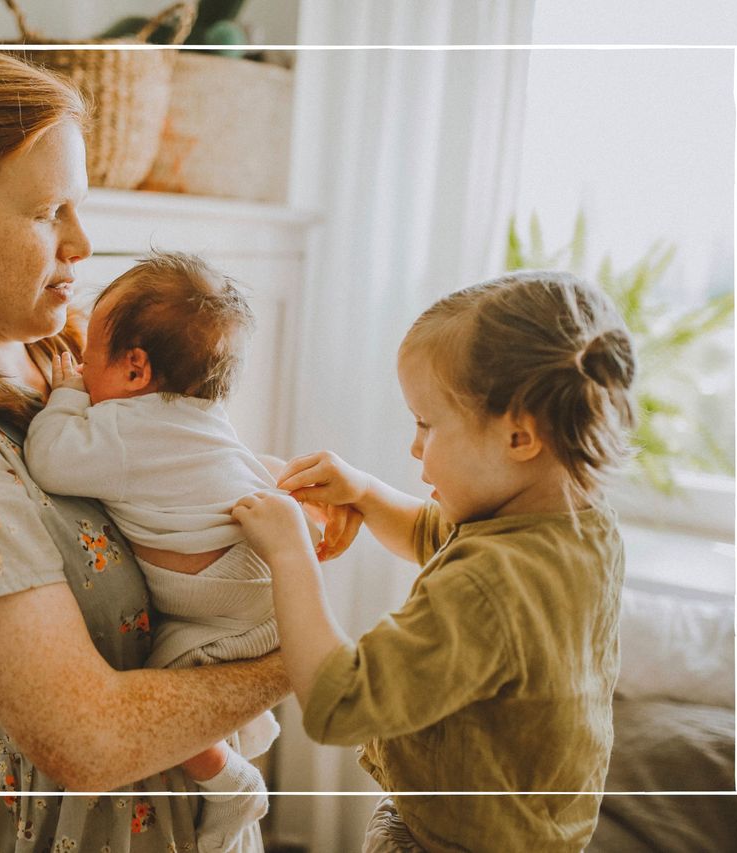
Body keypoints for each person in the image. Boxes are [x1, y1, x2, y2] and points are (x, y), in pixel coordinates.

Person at [0, 51, 288, 853]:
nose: (82, 244)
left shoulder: (61, 355)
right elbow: (85, 742)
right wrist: (313, 657)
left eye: (78, 207)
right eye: (49, 212)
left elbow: (174, 472)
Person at [232, 271, 635, 852]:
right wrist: (365, 494)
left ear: (520, 436)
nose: (415, 447)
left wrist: (290, 550)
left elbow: (339, 704)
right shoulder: (580, 528)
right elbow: (434, 534)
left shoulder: (489, 585)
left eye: (427, 424)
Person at [25, 252, 333, 852]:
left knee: (164, 693)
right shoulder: (204, 417)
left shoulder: (120, 429)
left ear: (135, 369)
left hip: (221, 598)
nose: (80, 368)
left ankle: (230, 783)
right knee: (216, 686)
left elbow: (49, 459)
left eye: (88, 356)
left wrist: (64, 396)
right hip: (262, 586)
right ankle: (238, 754)